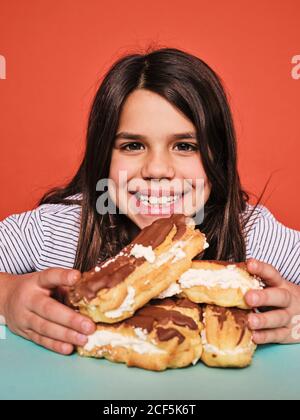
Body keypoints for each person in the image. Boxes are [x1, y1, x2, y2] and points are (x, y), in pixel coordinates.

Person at [0, 47, 299, 355]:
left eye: (184, 146)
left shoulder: (254, 234)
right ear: (103, 157)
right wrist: (8, 298)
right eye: (132, 145)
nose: (156, 169)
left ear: (218, 158)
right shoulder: (56, 231)